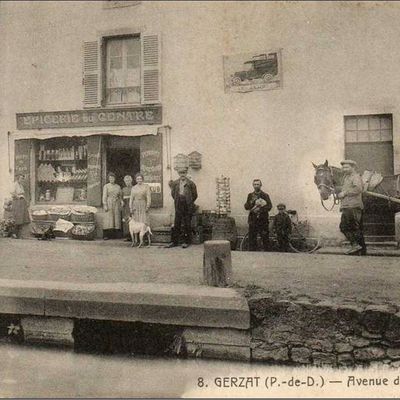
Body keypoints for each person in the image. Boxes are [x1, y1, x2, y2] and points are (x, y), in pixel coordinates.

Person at [337, 160, 367, 255]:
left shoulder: (355, 177)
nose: (344, 169)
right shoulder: (347, 177)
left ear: (353, 168)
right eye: (343, 167)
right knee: (352, 227)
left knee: (349, 227)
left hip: (353, 206)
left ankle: (356, 245)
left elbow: (358, 189)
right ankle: (361, 250)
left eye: (347, 167)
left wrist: (344, 193)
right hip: (347, 206)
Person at [167, 167, 198, 248]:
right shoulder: (175, 183)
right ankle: (175, 242)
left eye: (184, 173)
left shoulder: (191, 183)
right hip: (178, 204)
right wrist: (178, 200)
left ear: (186, 173)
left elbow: (195, 195)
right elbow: (173, 194)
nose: (182, 175)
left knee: (187, 223)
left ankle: (186, 242)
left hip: (187, 205)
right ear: (178, 174)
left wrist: (189, 200)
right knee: (177, 223)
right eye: (181, 173)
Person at [244, 179, 272, 251]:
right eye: (255, 184)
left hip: (263, 220)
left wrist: (260, 210)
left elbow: (269, 206)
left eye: (258, 184)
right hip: (253, 220)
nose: (256, 186)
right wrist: (251, 203)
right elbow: (246, 207)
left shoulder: (265, 195)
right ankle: (253, 255)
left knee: (265, 237)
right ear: (253, 185)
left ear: (261, 185)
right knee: (252, 238)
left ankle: (267, 254)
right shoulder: (250, 195)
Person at [102, 172, 123, 240]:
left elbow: (120, 196)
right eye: (110, 178)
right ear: (108, 179)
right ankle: (107, 235)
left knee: (116, 219)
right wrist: (105, 204)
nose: (111, 179)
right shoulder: (106, 186)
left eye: (113, 178)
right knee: (109, 219)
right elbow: (104, 196)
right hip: (109, 203)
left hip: (116, 203)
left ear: (115, 179)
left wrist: (121, 201)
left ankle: (116, 235)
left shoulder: (118, 186)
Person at [10, 174, 30, 239]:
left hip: (22, 202)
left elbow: (22, 193)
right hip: (17, 202)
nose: (22, 180)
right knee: (17, 217)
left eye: (22, 178)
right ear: (18, 178)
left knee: (22, 217)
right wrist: (18, 196)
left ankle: (20, 234)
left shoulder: (21, 185)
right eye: (21, 178)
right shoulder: (15, 184)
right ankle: (14, 233)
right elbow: (12, 193)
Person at [121, 175, 133, 241]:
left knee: (132, 219)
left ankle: (133, 235)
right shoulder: (123, 189)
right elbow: (121, 197)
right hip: (125, 206)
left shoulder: (134, 188)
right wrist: (121, 201)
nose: (127, 182)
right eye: (126, 181)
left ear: (131, 181)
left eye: (128, 181)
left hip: (132, 205)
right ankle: (127, 235)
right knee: (126, 219)